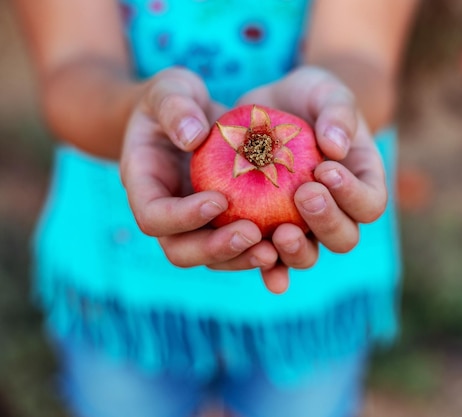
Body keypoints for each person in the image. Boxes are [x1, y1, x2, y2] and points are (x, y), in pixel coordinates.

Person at [13, 0, 418, 416]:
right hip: (119, 279)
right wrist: (137, 111)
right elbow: (72, 67)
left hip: (313, 294)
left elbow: (362, 57)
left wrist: (334, 106)